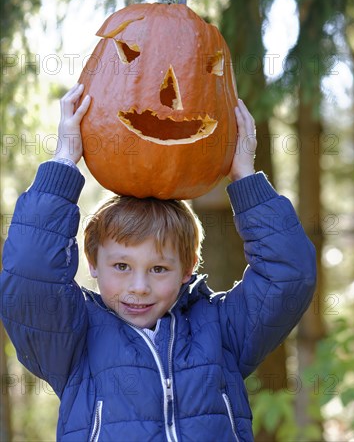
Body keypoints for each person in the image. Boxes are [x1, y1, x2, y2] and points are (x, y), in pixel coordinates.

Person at [0, 83, 316, 442]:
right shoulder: (74, 338)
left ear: (188, 268)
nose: (139, 286)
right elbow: (28, 274)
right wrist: (63, 162)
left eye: (159, 269)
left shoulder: (223, 330)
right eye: (121, 266)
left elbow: (289, 275)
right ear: (92, 262)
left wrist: (244, 177)